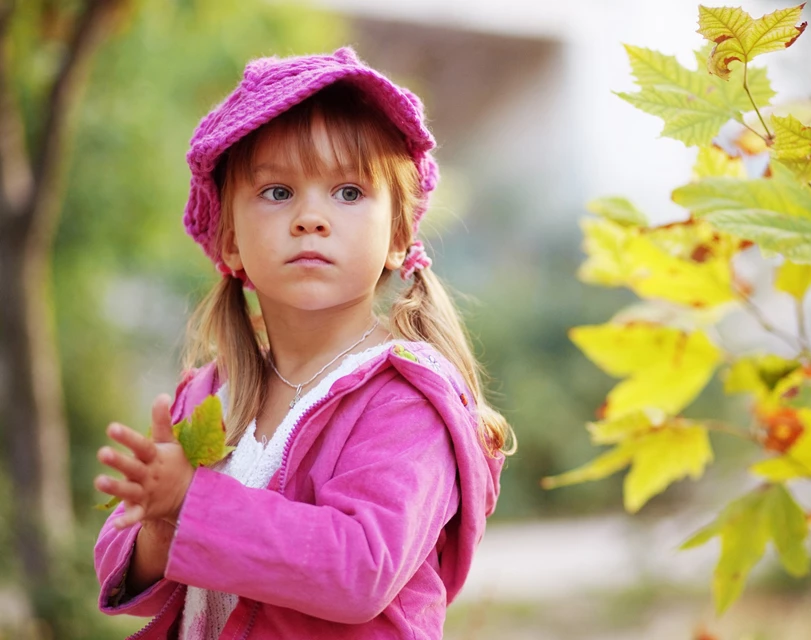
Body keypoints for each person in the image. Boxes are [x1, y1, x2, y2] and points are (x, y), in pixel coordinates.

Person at [92, 47, 514, 640]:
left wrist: (193, 503)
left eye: (347, 193)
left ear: (397, 236)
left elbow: (360, 568)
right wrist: (160, 526)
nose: (310, 218)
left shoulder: (407, 401)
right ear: (231, 241)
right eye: (277, 193)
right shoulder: (212, 395)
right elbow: (121, 564)